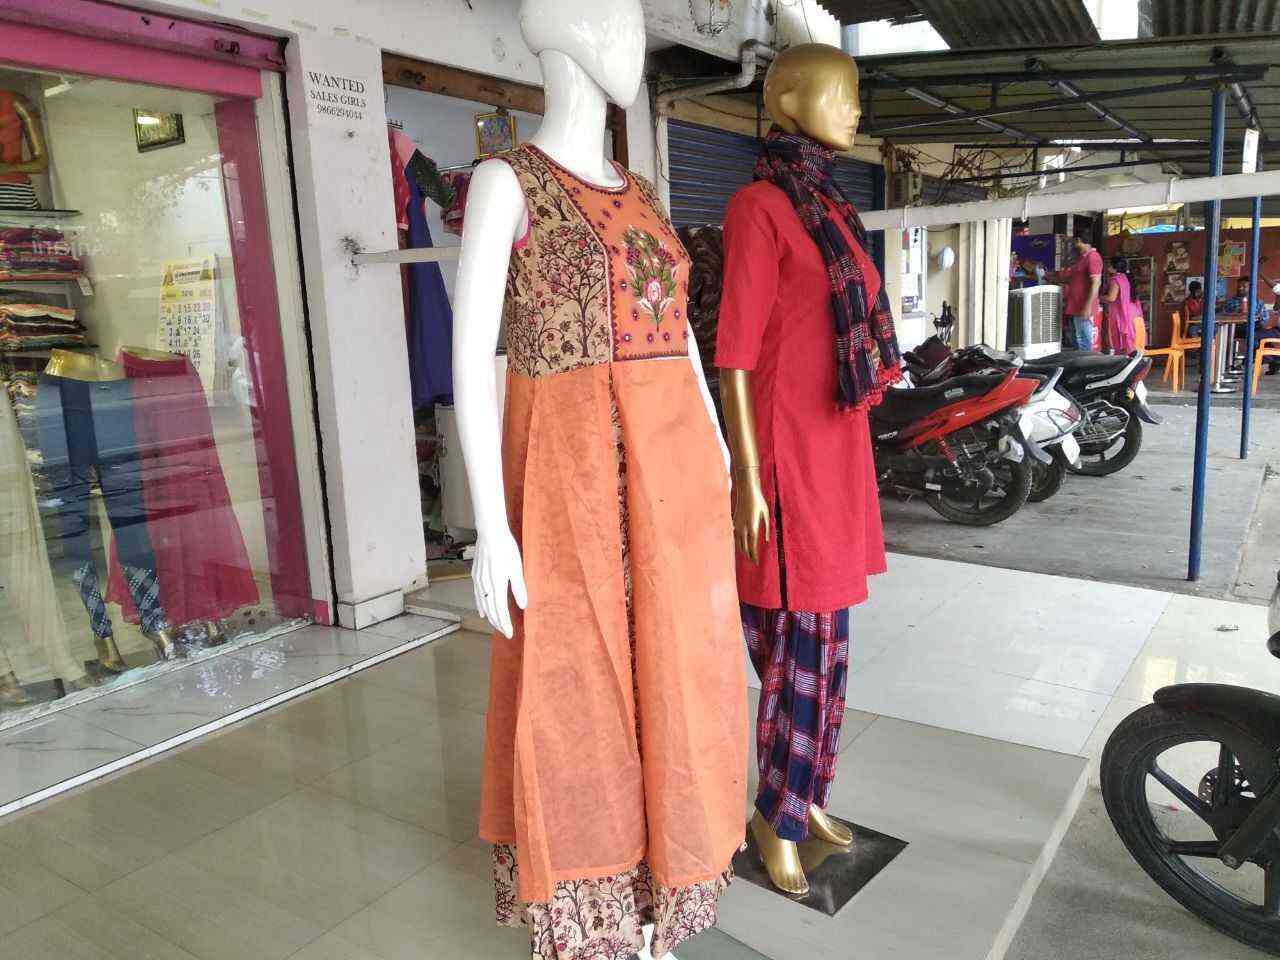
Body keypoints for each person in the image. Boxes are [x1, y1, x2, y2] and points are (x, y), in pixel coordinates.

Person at [1058, 236, 1102, 351]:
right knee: (1076, 338)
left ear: (1079, 240)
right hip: (1075, 305)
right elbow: (1074, 279)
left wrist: (1088, 306)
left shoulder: (1093, 257)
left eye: (1074, 242)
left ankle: (1086, 361)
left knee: (1083, 339)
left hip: (1083, 306)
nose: (1073, 246)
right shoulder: (1082, 258)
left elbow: (1096, 283)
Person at [1100, 256, 1140, 354]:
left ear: (1114, 267)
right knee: (1131, 338)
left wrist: (1097, 298)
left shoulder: (1115, 279)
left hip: (1121, 312)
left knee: (1121, 339)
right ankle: (1133, 359)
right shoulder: (1126, 277)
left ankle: (1125, 360)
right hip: (1132, 312)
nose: (1107, 267)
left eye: (1109, 265)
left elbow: (1111, 298)